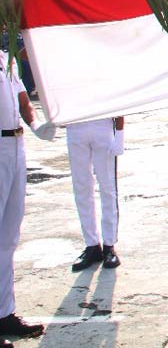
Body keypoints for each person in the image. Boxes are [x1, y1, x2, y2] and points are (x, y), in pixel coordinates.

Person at [0, 50, 55, 345]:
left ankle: (4, 312)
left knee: (8, 236)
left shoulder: (6, 58)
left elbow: (23, 101)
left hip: (16, 145)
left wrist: (36, 125)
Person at [67, 117, 125, 271]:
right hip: (75, 125)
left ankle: (109, 245)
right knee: (81, 187)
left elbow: (117, 96)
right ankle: (91, 245)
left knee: (107, 186)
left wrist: (120, 133)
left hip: (102, 124)